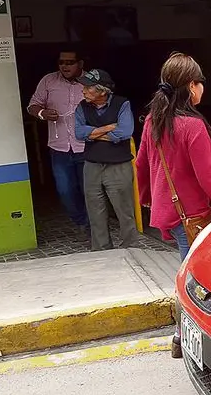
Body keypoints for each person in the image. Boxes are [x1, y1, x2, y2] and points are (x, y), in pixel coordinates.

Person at [135, 53, 211, 358]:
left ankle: (185, 335)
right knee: (195, 280)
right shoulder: (192, 126)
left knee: (191, 274)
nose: (202, 88)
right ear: (191, 87)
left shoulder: (154, 121)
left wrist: (147, 198)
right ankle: (185, 336)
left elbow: (141, 164)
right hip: (192, 216)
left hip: (171, 213)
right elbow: (208, 178)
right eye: (200, 82)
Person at [74, 68, 143, 251]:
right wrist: (108, 129)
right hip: (92, 165)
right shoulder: (82, 106)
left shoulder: (122, 104)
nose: (84, 91)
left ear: (102, 91)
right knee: (95, 212)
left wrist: (93, 133)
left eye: (88, 88)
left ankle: (131, 248)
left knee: (124, 211)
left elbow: (125, 132)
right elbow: (79, 133)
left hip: (118, 166)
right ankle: (101, 250)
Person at [27, 51, 88, 229]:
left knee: (90, 191)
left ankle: (93, 226)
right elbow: (32, 105)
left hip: (87, 146)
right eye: (61, 62)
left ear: (80, 63)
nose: (65, 66)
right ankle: (82, 221)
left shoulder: (92, 81)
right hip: (59, 147)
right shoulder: (49, 80)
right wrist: (42, 113)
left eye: (70, 62)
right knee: (65, 191)